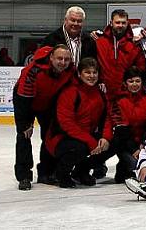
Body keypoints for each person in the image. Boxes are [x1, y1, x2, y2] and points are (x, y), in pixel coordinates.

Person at [45, 57, 113, 188]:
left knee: (113, 142)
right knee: (80, 147)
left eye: (94, 72)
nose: (92, 76)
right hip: (60, 138)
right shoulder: (70, 92)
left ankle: (81, 171)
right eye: (87, 72)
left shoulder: (100, 93)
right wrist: (90, 141)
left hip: (85, 137)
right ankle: (62, 174)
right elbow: (66, 123)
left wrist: (105, 137)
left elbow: (107, 118)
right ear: (79, 74)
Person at [12, 44, 73, 190]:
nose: (62, 62)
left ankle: (46, 172)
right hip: (26, 101)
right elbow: (22, 98)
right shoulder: (33, 71)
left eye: (66, 59)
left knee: (50, 137)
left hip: (48, 103)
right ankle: (24, 176)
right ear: (51, 58)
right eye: (59, 58)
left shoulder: (70, 71)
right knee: (24, 136)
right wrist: (25, 124)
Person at [107, 67, 146, 183]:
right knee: (135, 165)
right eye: (131, 81)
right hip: (126, 144)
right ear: (125, 83)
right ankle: (123, 166)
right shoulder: (118, 102)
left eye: (137, 81)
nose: (134, 84)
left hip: (143, 143)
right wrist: (134, 149)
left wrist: (143, 145)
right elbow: (122, 130)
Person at [95, 9, 146, 102]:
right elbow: (93, 65)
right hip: (103, 94)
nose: (120, 26)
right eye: (117, 22)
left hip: (125, 96)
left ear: (127, 23)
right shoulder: (99, 42)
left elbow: (140, 69)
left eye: (123, 23)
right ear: (111, 23)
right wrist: (98, 82)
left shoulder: (134, 45)